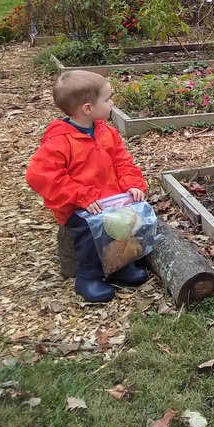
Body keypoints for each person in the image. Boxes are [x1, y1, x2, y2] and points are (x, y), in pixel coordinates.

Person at [26, 70, 151, 303]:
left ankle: (119, 265)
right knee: (88, 231)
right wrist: (79, 196)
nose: (112, 102)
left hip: (110, 199)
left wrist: (132, 184)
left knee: (127, 222)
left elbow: (123, 162)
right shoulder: (60, 141)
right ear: (87, 108)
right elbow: (39, 175)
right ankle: (88, 276)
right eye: (106, 99)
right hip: (78, 205)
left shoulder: (107, 132)